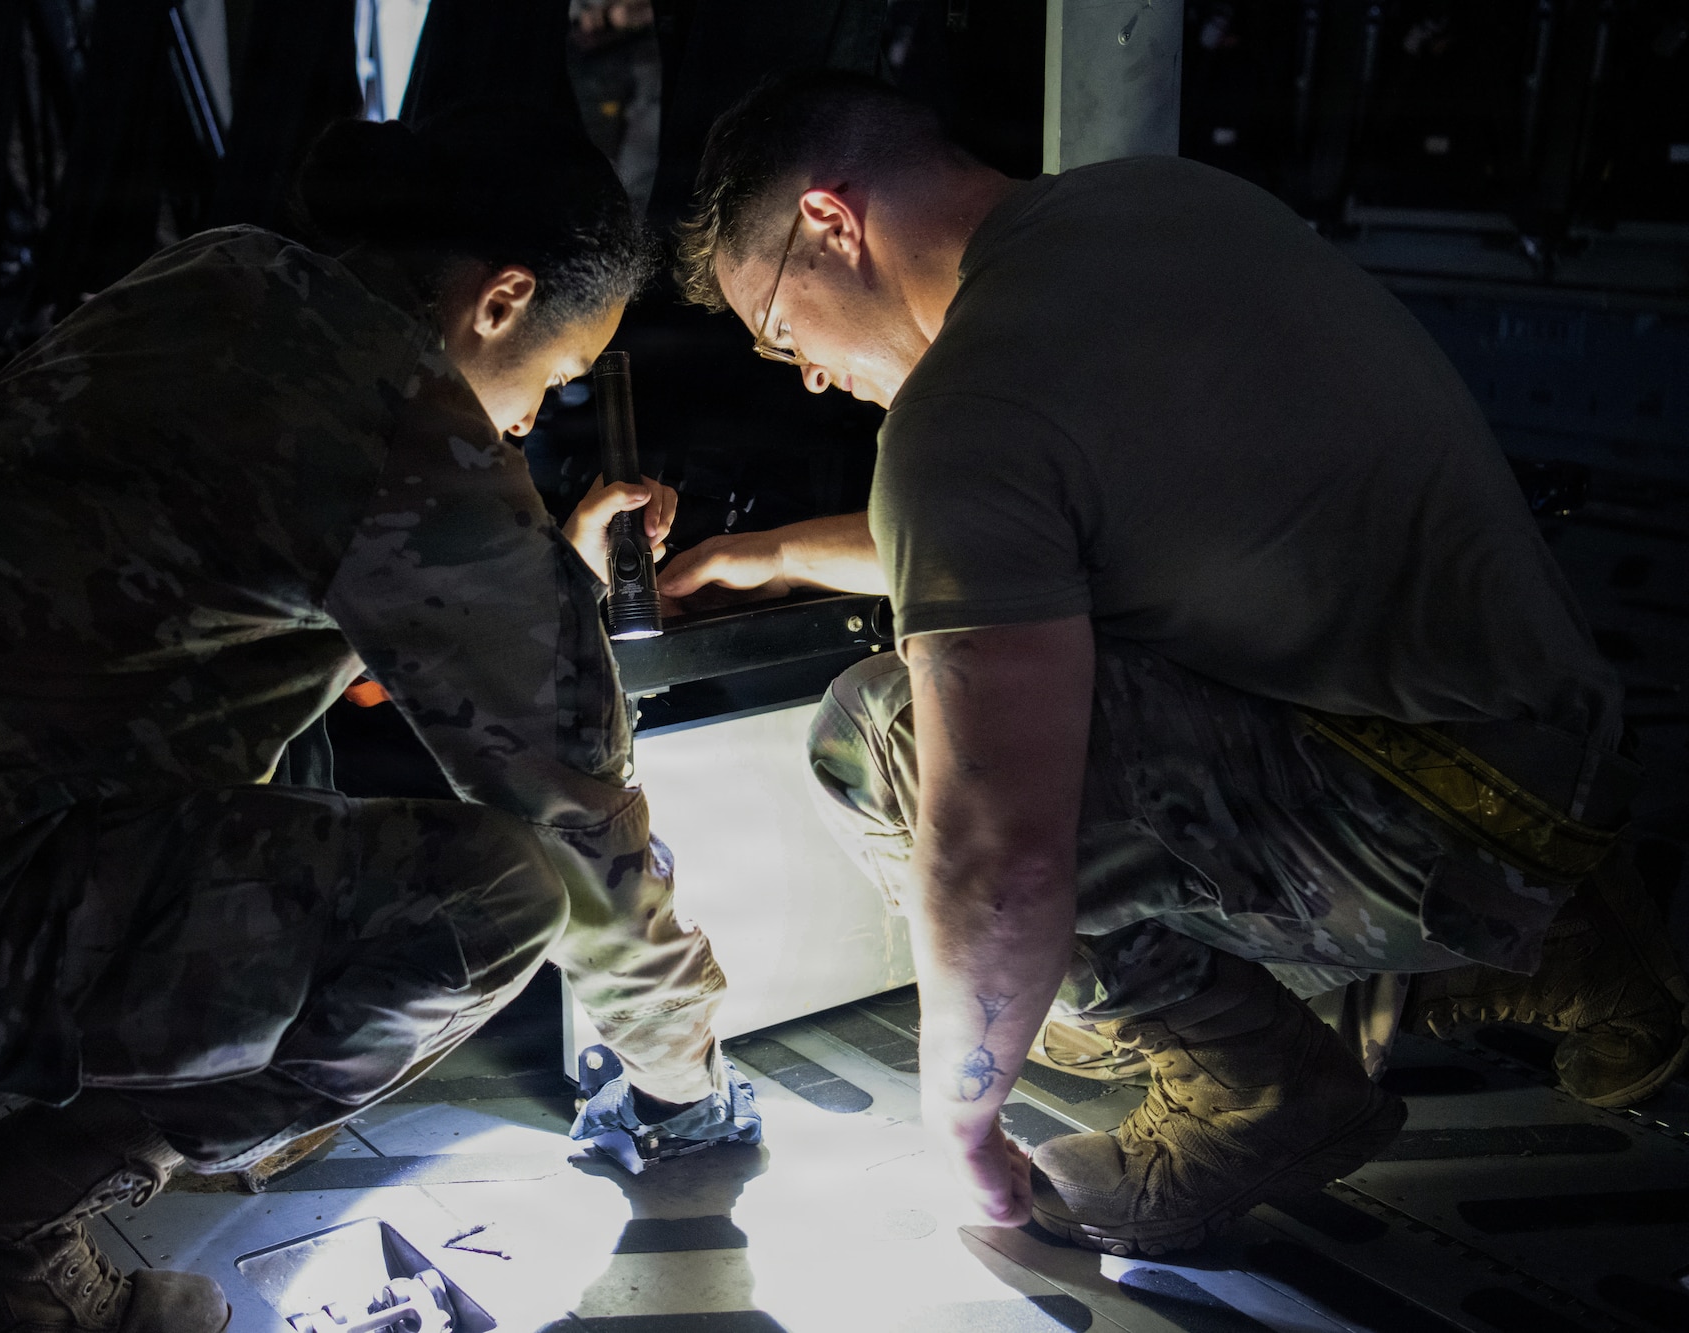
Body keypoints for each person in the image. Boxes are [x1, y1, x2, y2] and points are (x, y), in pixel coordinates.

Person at [0, 107, 756, 1331]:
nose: (523, 423)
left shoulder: (222, 273)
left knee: (284, 730)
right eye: (553, 381)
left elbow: (225, 590)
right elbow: (580, 828)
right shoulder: (403, 430)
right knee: (490, 902)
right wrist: (682, 1077)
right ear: (501, 300)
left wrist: (529, 566)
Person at [662, 71, 1686, 1255]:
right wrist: (771, 554)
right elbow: (1053, 511)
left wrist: (963, 1124)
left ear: (832, 223)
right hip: (1545, 769)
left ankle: (1262, 1092)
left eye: (783, 331)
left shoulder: (965, 409)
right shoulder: (1162, 208)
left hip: (1424, 818)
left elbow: (998, 859)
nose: (807, 375)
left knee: (885, 741)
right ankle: (1552, 950)